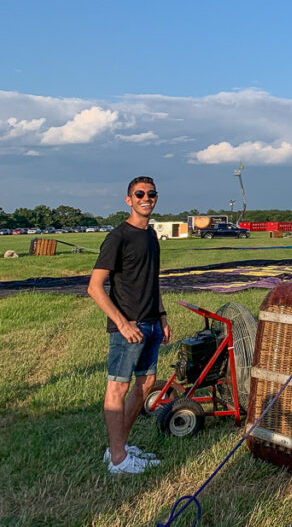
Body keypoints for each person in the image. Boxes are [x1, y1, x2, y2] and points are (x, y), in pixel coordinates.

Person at [87, 177, 171, 475]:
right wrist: (122, 324)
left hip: (151, 324)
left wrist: (162, 315)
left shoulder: (150, 236)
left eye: (151, 194)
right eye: (139, 194)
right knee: (117, 388)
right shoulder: (118, 237)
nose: (146, 198)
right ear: (128, 199)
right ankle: (119, 460)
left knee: (146, 384)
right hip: (128, 327)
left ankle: (118, 447)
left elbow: (152, 280)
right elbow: (95, 287)